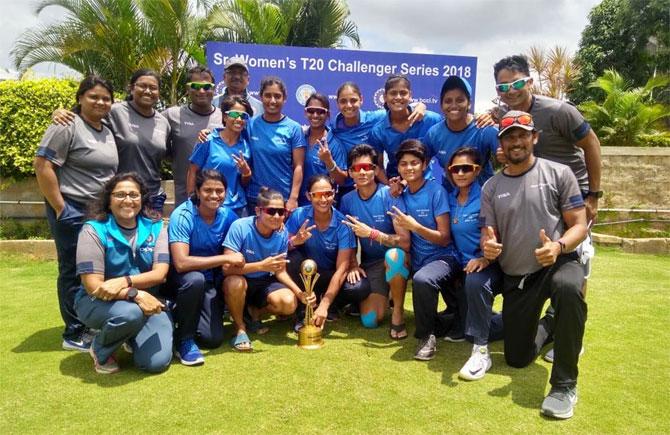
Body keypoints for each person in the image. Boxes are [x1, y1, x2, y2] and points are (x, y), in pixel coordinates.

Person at [480, 111, 588, 419]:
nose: (516, 142)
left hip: (557, 262)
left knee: (569, 288)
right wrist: (488, 247)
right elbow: (487, 235)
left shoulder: (559, 173)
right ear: (501, 143)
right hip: (519, 277)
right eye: (509, 137)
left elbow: (579, 225)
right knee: (516, 358)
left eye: (522, 135)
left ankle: (565, 385)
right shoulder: (491, 187)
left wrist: (558, 246)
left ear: (534, 138)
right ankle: (551, 323)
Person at [494, 54, 601, 362]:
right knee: (541, 259)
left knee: (575, 267)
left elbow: (591, 144)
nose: (510, 90)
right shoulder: (504, 114)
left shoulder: (558, 111)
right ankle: (547, 321)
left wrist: (593, 195)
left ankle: (570, 336)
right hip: (536, 197)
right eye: (503, 86)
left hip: (572, 196)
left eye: (515, 83)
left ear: (529, 81)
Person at [34, 75, 118, 352]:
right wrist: (60, 207)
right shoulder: (67, 124)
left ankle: (90, 321)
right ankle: (74, 331)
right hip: (72, 208)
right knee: (73, 268)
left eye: (106, 98)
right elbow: (42, 165)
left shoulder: (105, 129)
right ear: (80, 97)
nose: (100, 102)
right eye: (93, 96)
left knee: (96, 268)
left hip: (99, 211)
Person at [74, 173, 173, 374]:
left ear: (142, 199)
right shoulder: (93, 230)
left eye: (134, 195)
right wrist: (135, 294)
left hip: (146, 303)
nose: (128, 200)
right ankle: (100, 349)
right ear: (108, 200)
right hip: (97, 302)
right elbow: (93, 285)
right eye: (120, 195)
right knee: (130, 313)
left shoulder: (156, 226)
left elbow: (160, 274)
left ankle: (128, 335)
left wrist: (124, 281)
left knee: (156, 363)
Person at [53, 69, 172, 213]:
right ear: (131, 88)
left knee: (151, 236)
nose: (148, 91)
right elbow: (87, 114)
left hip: (152, 197)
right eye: (142, 86)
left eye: (153, 88)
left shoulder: (163, 123)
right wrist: (61, 113)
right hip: (122, 197)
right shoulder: (115, 111)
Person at [388, 139, 463, 360]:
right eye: (403, 164)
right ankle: (399, 314)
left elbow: (444, 237)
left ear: (425, 164)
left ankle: (426, 336)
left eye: (414, 163)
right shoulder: (399, 195)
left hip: (444, 257)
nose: (409, 168)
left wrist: (416, 226)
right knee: (396, 259)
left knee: (423, 280)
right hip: (418, 259)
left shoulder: (436, 191)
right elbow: (404, 241)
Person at [164, 169, 243, 364]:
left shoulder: (228, 216)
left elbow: (247, 232)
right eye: (208, 190)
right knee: (195, 279)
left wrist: (277, 225)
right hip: (181, 279)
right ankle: (184, 340)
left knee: (212, 339)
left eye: (220, 190)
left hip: (208, 282)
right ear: (197, 192)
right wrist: (224, 260)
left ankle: (177, 314)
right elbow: (181, 263)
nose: (214, 195)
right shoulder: (182, 215)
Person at [222, 187, 315, 350]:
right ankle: (240, 328)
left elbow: (280, 270)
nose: (277, 216)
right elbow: (226, 269)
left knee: (288, 303)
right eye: (271, 211)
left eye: (281, 212)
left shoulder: (281, 233)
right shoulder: (240, 227)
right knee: (234, 283)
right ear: (258, 210)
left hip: (264, 282)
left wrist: (300, 293)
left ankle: (254, 313)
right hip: (241, 280)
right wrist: (260, 265)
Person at [339, 145, 411, 338]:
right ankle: (385, 295)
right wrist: (353, 264)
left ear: (376, 170)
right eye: (356, 168)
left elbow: (404, 242)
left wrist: (372, 234)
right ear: (350, 173)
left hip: (399, 259)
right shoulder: (347, 200)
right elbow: (349, 238)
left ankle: (398, 312)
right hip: (372, 264)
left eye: (367, 167)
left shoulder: (390, 195)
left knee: (394, 256)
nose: (362, 171)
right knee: (370, 320)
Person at [444, 147, 504, 381]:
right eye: (455, 169)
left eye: (466, 168)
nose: (460, 173)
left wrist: (484, 257)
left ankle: (481, 345)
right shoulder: (449, 196)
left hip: (483, 263)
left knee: (476, 328)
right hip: (459, 262)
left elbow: (489, 233)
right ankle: (473, 319)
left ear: (477, 170)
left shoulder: (486, 195)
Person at [285, 175, 360, 331]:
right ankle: (302, 311)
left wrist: (324, 305)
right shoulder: (299, 215)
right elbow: (279, 249)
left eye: (328, 194)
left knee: (358, 288)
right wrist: (295, 241)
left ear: (334, 193)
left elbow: (342, 269)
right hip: (304, 275)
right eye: (317, 195)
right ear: (308, 196)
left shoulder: (343, 224)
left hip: (329, 275)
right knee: (291, 259)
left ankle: (330, 306)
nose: (323, 199)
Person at [332, 81, 426, 197]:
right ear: (337, 103)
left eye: (353, 100)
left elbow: (398, 107)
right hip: (348, 187)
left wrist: (420, 106)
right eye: (343, 101)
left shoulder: (376, 118)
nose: (349, 105)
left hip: (373, 183)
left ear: (361, 99)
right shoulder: (334, 128)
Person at [423, 75, 499, 193]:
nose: (453, 105)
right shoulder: (434, 134)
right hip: (451, 200)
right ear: (441, 106)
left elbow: (509, 159)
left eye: (460, 100)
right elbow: (418, 164)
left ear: (469, 103)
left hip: (483, 199)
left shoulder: (484, 128)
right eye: (448, 101)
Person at [163, 65, 223, 206]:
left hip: (217, 198)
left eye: (207, 86)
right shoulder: (172, 115)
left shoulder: (224, 118)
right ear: (187, 89)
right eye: (195, 86)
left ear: (214, 89)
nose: (202, 91)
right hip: (184, 197)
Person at [246, 76, 306, 212]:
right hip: (255, 198)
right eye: (268, 95)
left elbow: (298, 166)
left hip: (282, 199)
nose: (272, 101)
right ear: (261, 97)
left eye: (277, 96)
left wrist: (293, 198)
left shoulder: (294, 128)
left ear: (284, 99)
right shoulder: (250, 124)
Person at [368, 75, 442, 183]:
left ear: (410, 95)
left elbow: (451, 129)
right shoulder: (378, 131)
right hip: (395, 184)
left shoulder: (431, 119)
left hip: (425, 184)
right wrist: (389, 187)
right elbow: (378, 167)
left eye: (403, 93)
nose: (398, 97)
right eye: (393, 93)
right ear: (384, 97)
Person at [188, 96, 253, 216]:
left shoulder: (246, 147)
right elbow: (193, 170)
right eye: (234, 114)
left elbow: (243, 182)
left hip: (237, 208)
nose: (239, 119)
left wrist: (246, 173)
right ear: (224, 117)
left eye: (243, 116)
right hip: (208, 205)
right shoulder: (208, 140)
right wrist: (192, 201)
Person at [299, 93, 348, 206]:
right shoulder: (300, 137)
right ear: (305, 113)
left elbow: (341, 180)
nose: (315, 115)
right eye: (311, 111)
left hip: (323, 203)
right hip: (300, 202)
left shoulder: (334, 143)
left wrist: (329, 161)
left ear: (328, 114)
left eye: (320, 111)